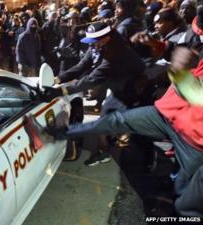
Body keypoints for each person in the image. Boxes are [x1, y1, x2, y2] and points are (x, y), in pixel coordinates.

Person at [45, 47, 203, 216]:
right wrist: (167, 53)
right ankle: (60, 132)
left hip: (193, 140)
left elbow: (196, 94)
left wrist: (181, 73)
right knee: (115, 120)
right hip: (166, 114)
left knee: (183, 196)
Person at [43, 22, 145, 166]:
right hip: (118, 89)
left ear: (106, 39)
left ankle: (147, 159)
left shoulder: (117, 54)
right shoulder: (97, 47)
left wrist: (60, 91)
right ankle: (104, 153)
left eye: (93, 42)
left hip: (135, 90)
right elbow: (81, 66)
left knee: (135, 130)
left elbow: (90, 80)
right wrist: (58, 79)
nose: (91, 46)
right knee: (103, 121)